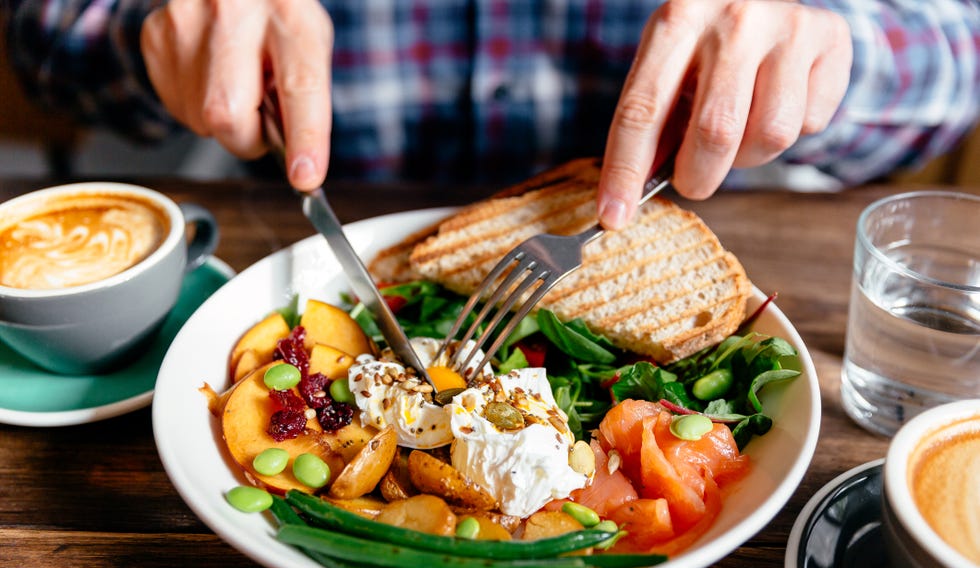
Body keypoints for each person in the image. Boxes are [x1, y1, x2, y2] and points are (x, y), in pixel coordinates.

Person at [6, 1, 980, 230]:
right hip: (270, 226)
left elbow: (955, 51)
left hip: (725, 223)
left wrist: (832, 51)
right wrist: (144, 32)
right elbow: (42, 32)